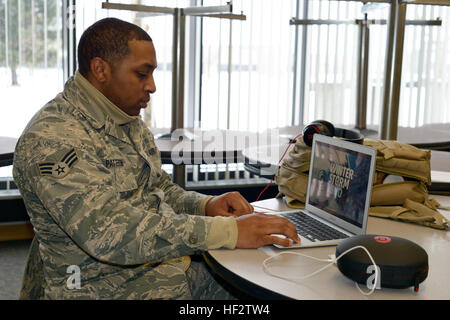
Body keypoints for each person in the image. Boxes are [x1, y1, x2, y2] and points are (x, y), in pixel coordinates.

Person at [13, 18, 299, 300]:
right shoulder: (54, 138)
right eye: (142, 74)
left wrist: (206, 205)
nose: (152, 86)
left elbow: (157, 191)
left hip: (164, 269)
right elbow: (107, 232)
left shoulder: (125, 119)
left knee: (279, 280)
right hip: (105, 288)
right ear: (100, 69)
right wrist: (227, 231)